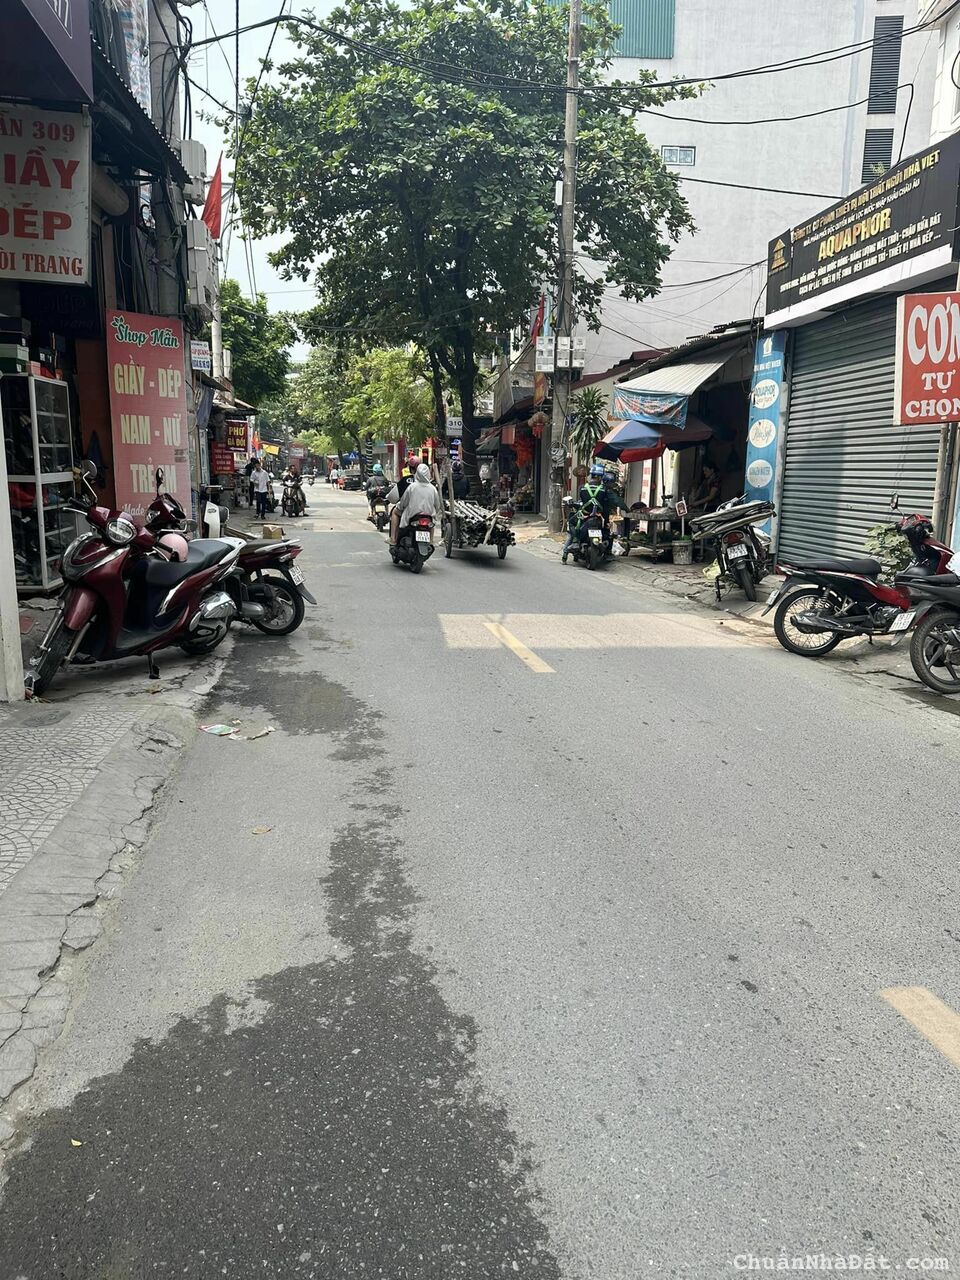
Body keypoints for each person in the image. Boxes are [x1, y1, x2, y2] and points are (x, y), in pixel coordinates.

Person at [561, 464, 629, 564]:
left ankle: (575, 541)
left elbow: (582, 501)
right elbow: (616, 500)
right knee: (607, 530)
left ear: (592, 475)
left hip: (585, 515)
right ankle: (607, 552)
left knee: (571, 523)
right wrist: (627, 509)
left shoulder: (583, 488)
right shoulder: (604, 489)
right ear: (600, 477)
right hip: (599, 517)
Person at [390, 463, 442, 549]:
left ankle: (393, 539)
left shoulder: (412, 487)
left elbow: (404, 502)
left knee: (395, 512)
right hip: (428, 517)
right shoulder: (433, 488)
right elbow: (437, 505)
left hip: (412, 516)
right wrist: (434, 512)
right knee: (432, 523)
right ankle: (430, 541)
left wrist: (400, 507)